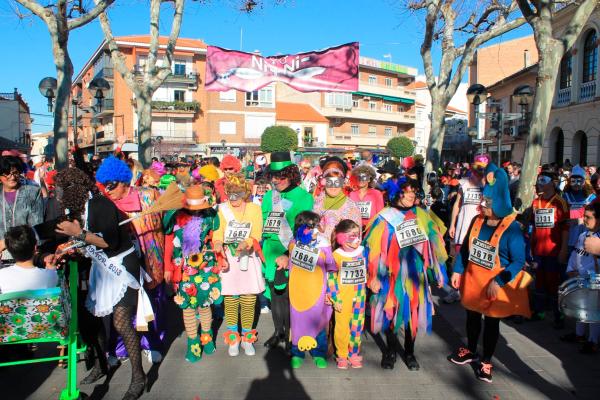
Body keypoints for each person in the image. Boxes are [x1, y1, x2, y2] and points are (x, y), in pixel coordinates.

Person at [54, 167, 147, 400]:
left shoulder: (100, 205)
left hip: (121, 267)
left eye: (61, 191)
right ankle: (102, 364)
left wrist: (79, 234)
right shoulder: (76, 210)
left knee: (121, 322)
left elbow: (108, 242)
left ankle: (138, 377)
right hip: (100, 269)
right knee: (91, 320)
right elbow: (86, 245)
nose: (58, 196)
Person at [448, 163, 531, 384]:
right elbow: (466, 249)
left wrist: (501, 279)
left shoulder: (511, 228)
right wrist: (457, 271)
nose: (481, 206)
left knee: (492, 324)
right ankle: (470, 349)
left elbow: (518, 261)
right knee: (472, 317)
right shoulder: (477, 221)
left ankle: (486, 361)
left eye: (486, 203)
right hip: (474, 281)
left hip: (495, 285)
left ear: (498, 204)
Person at [364, 177, 448, 371]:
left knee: (413, 314)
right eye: (406, 191)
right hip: (390, 275)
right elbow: (373, 251)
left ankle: (409, 352)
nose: (411, 195)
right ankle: (391, 352)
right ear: (396, 194)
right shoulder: (385, 216)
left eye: (414, 192)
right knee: (391, 313)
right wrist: (373, 276)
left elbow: (435, 247)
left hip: (415, 274)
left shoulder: (422, 215)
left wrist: (439, 272)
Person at [95, 156, 167, 364]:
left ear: (123, 181)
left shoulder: (149, 195)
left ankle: (152, 343)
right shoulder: (107, 204)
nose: (107, 190)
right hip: (122, 263)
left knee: (153, 304)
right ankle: (119, 348)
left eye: (111, 185)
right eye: (104, 186)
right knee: (121, 307)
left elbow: (166, 225)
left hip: (152, 259)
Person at [261, 152, 314, 350]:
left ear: (291, 174)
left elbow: (303, 230)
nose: (276, 181)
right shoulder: (268, 196)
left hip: (289, 251)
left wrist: (288, 254)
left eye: (281, 176)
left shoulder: (304, 197)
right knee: (275, 295)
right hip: (270, 252)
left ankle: (292, 336)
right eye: (273, 176)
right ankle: (278, 332)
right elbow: (262, 222)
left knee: (290, 296)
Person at [164, 185, 223, 363]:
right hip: (183, 266)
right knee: (188, 306)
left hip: (204, 265)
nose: (197, 212)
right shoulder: (174, 217)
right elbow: (168, 244)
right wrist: (167, 267)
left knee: (204, 303)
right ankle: (193, 343)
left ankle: (207, 336)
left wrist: (219, 249)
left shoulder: (211, 216)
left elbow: (215, 237)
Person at [212, 174, 265, 357]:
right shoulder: (221, 209)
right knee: (231, 300)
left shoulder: (254, 209)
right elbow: (217, 232)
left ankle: (247, 337)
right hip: (228, 259)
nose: (233, 198)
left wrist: (248, 242)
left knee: (249, 300)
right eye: (230, 194)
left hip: (248, 258)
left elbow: (257, 232)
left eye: (238, 193)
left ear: (245, 193)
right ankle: (233, 338)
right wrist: (217, 243)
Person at [287, 211, 337, 369]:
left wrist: (331, 290)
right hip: (298, 290)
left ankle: (319, 353)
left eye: (316, 225)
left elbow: (331, 267)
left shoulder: (324, 244)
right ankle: (297, 353)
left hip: (317, 290)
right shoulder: (294, 242)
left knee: (319, 322)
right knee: (297, 322)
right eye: (310, 225)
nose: (315, 228)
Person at [447, 155, 488, 303]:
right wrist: (452, 224)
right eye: (476, 167)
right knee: (458, 257)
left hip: (480, 229)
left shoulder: (487, 185)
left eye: (481, 168)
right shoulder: (463, 183)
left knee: (476, 260)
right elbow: (457, 204)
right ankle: (455, 290)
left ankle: (473, 290)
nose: (478, 171)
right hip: (463, 226)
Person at [530, 170, 569, 327]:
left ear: (552, 182)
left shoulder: (560, 202)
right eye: (539, 180)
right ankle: (539, 311)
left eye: (543, 180)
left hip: (554, 251)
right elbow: (534, 226)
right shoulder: (535, 202)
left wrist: (563, 250)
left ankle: (558, 315)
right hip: (538, 250)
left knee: (554, 283)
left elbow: (565, 228)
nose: (540, 183)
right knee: (539, 281)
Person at [561, 202, 600, 353]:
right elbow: (575, 254)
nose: (584, 220)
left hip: (593, 281)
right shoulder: (582, 235)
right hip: (578, 278)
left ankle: (593, 341)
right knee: (580, 307)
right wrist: (571, 270)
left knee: (593, 311)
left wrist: (585, 274)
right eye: (584, 216)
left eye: (588, 217)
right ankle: (579, 335)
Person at [332, 219, 366, 369]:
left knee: (357, 326)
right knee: (341, 327)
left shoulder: (363, 252)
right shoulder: (336, 255)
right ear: (341, 238)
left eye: (358, 235)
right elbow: (331, 278)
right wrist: (334, 297)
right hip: (342, 297)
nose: (356, 240)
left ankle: (353, 353)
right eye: (351, 236)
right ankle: (342, 354)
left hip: (360, 297)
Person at [0, 156, 44, 264]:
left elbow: (36, 226)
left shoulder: (33, 193)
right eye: (7, 174)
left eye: (15, 173)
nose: (12, 177)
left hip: (25, 255)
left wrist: (6, 242)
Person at [313, 157, 361, 240]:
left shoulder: (351, 207)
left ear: (343, 183)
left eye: (337, 182)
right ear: (324, 182)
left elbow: (355, 239)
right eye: (329, 182)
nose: (333, 187)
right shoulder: (316, 201)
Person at [0, 225, 57, 294]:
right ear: (35, 248)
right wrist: (52, 269)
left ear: (9, 250)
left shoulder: (2, 275)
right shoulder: (50, 276)